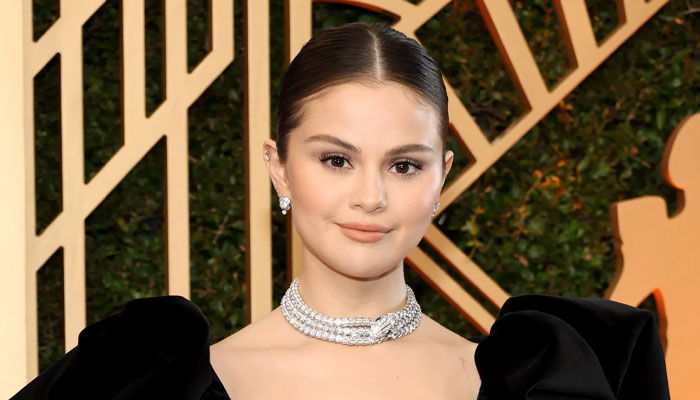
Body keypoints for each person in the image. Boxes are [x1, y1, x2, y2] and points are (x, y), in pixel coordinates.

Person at [11, 22, 670, 400]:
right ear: (279, 165)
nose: (370, 196)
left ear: (441, 176)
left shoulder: (548, 381)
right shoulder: (155, 384)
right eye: (336, 159)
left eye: (403, 165)